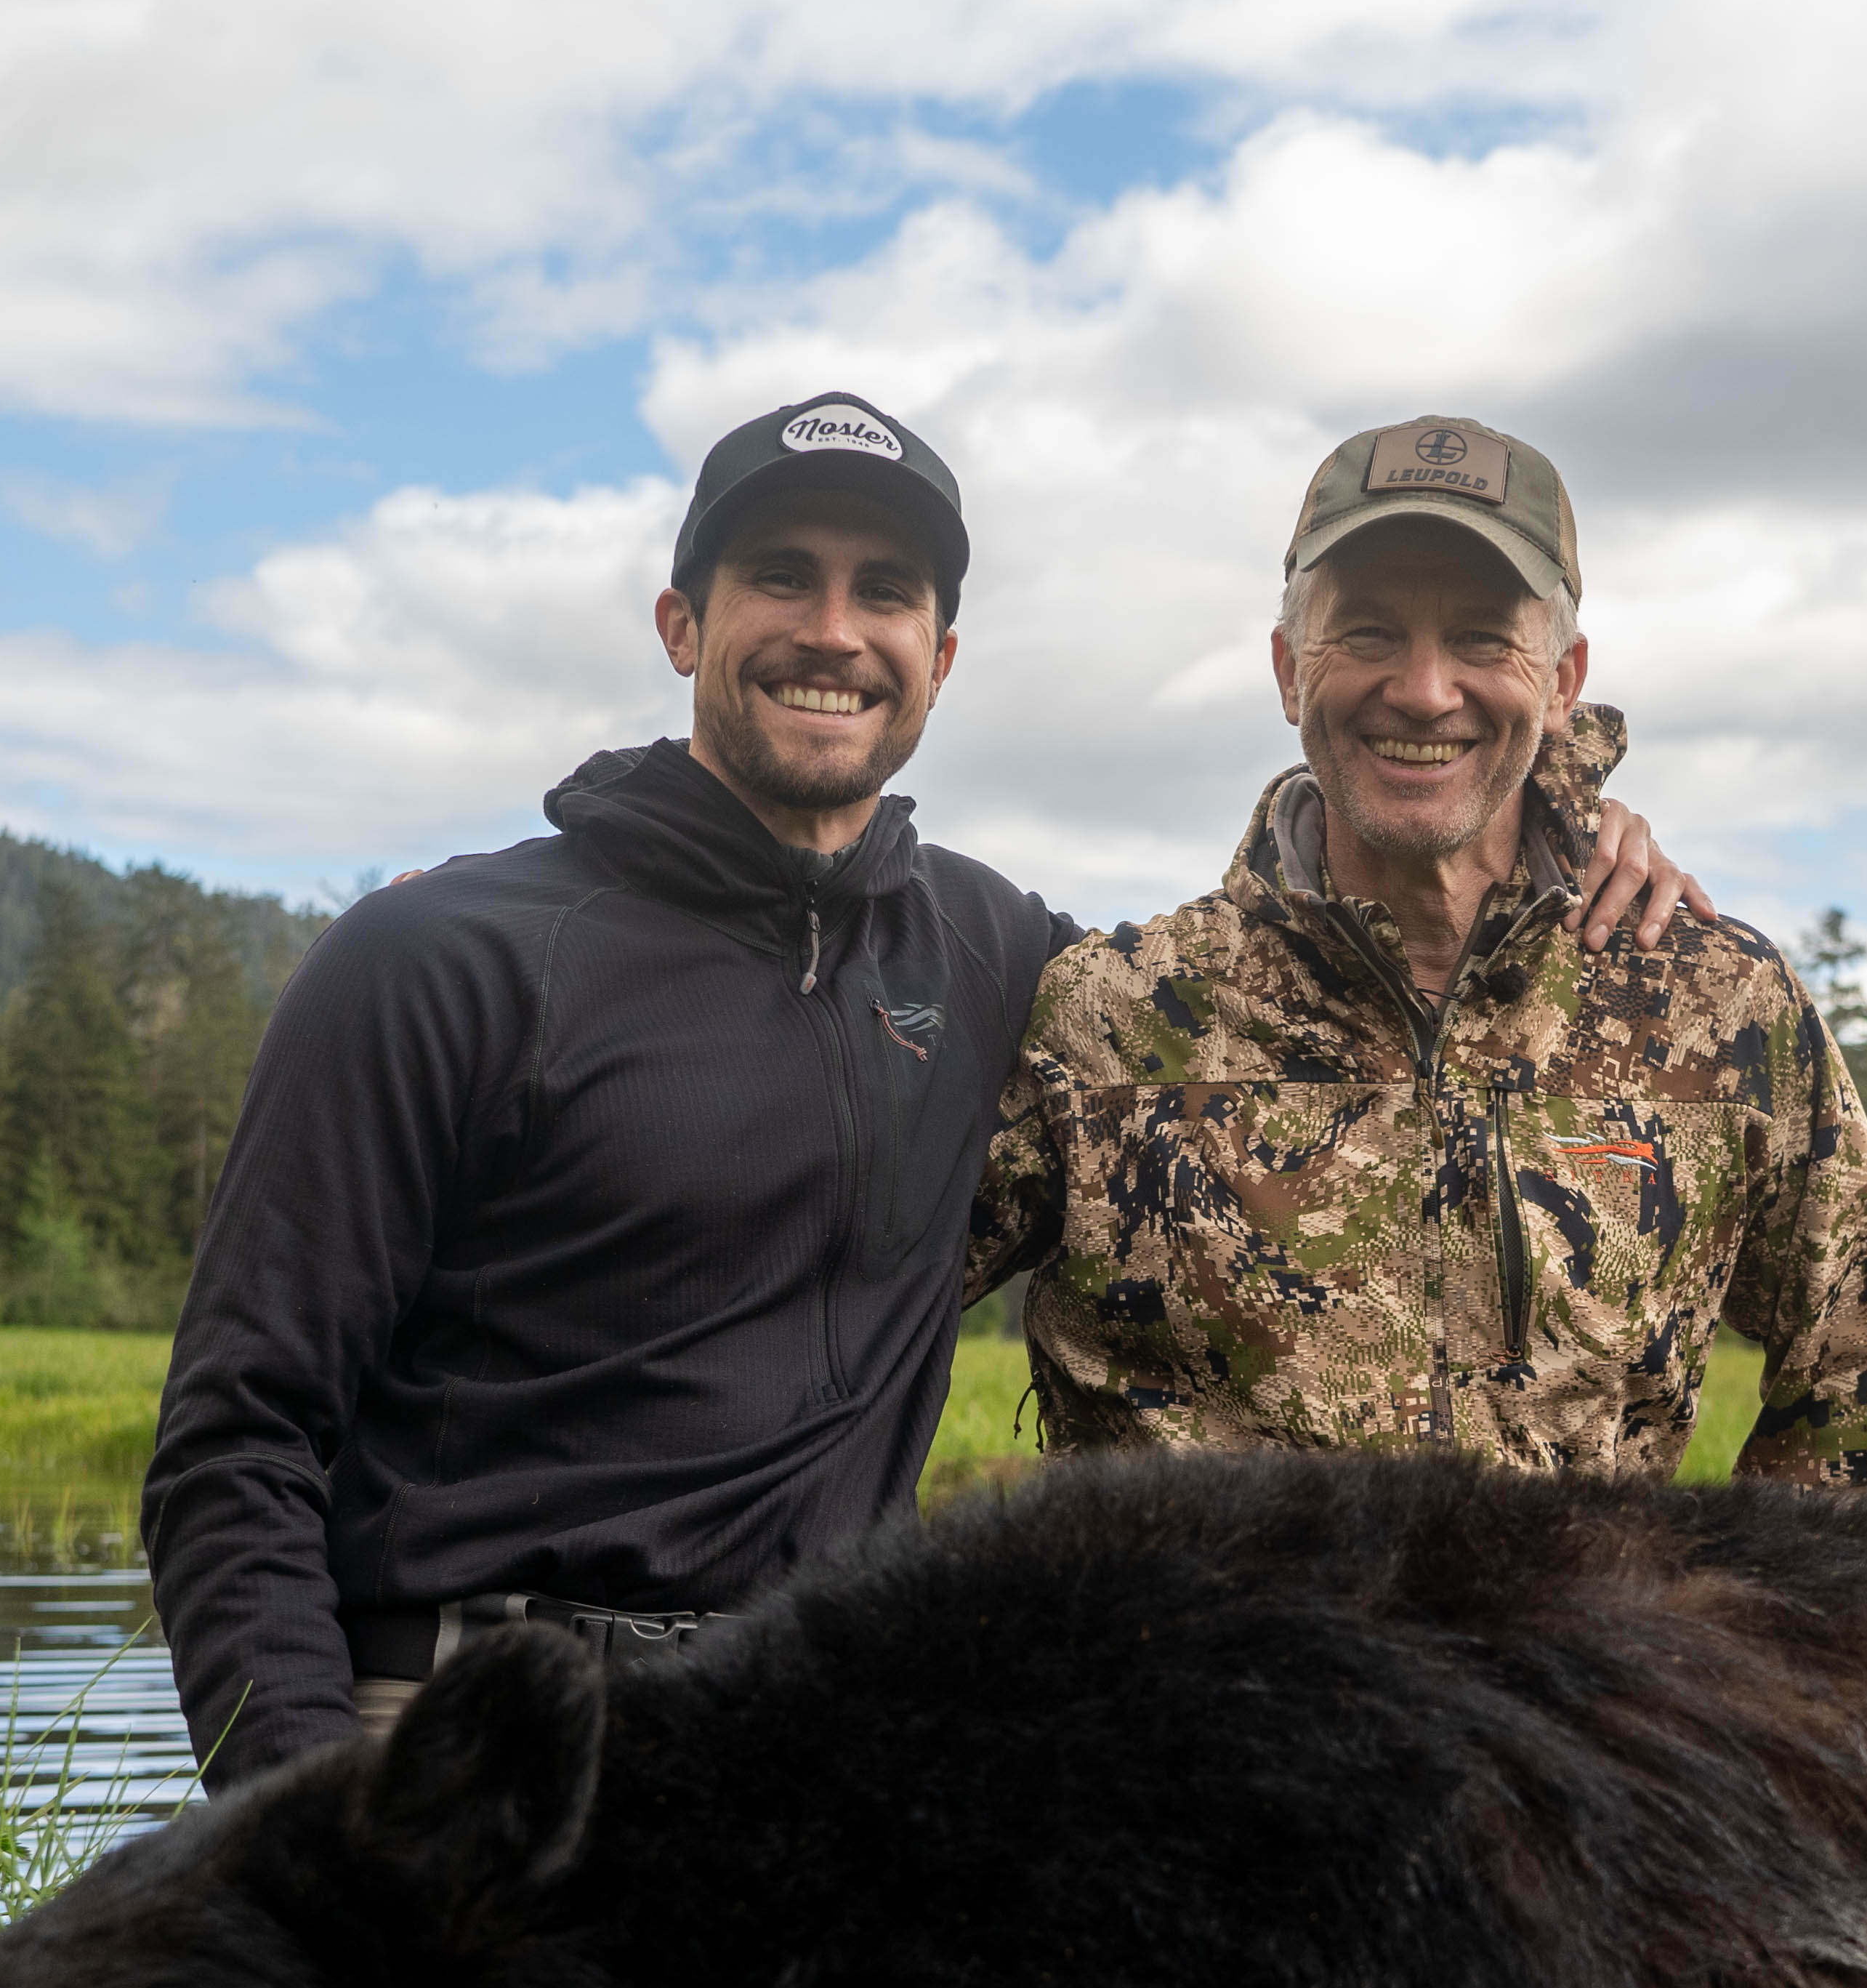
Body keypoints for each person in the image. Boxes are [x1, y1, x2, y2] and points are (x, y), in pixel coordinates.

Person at [146, 393, 1707, 1784]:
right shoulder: (443, 957)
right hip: (462, 1736)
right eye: (781, 576)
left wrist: (1558, 830)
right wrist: (308, 1833)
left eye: (885, 590)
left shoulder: (1001, 959)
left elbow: (1286, 987)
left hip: (811, 1755)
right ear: (681, 622)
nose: (834, 631)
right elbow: (240, 1441)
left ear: (941, 660)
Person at [966, 414, 1867, 1485]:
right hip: (1201, 1604)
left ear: (1561, 682)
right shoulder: (1109, 1016)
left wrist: (1725, 1596)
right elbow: (851, 1309)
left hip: (1574, 1606)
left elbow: (1854, 1363)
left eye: (1482, 639)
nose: (1424, 691)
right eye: (1368, 633)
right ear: (1289, 670)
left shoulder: (1721, 1006)